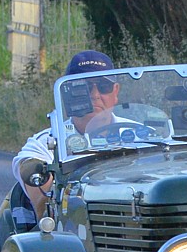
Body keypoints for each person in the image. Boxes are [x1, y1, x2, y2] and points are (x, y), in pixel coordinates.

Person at [11, 50, 120, 222]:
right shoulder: (43, 145)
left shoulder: (145, 135)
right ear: (67, 94)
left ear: (115, 92)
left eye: (103, 86)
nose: (95, 94)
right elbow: (46, 208)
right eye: (84, 87)